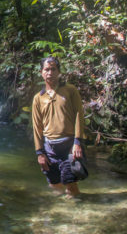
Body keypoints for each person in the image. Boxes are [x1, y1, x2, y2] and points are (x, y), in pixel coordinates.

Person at [32, 56, 86, 199]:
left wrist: (77, 142)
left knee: (71, 184)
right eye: (46, 69)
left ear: (59, 72)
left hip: (69, 145)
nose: (50, 73)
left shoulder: (70, 90)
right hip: (49, 148)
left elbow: (79, 116)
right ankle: (59, 214)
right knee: (54, 184)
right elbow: (37, 127)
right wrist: (40, 153)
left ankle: (78, 212)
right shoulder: (38, 98)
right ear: (41, 72)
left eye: (53, 69)